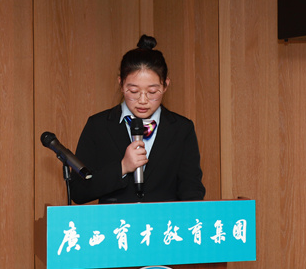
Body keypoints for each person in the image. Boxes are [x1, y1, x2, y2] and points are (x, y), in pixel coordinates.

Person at [71, 35, 206, 204]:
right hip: (115, 220)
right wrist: (122, 167)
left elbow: (192, 190)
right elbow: (78, 191)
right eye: (134, 91)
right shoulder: (98, 126)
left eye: (152, 92)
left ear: (165, 85)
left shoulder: (181, 128)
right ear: (121, 84)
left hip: (165, 220)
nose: (143, 100)